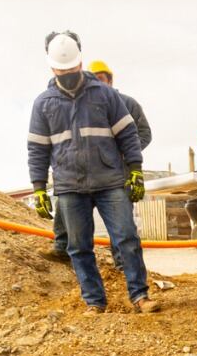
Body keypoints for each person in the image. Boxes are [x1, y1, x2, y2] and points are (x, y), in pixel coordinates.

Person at [28, 31, 161, 314]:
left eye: (72, 68)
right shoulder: (43, 104)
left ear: (80, 63)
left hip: (110, 180)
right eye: (62, 70)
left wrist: (135, 169)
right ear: (52, 68)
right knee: (78, 246)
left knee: (126, 236)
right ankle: (94, 301)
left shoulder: (105, 95)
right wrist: (39, 186)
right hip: (69, 185)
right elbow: (37, 148)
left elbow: (128, 134)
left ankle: (139, 295)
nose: (67, 74)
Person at [44, 60, 155, 265]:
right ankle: (61, 248)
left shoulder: (128, 103)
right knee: (65, 203)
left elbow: (144, 134)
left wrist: (123, 153)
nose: (96, 83)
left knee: (121, 222)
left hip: (116, 173)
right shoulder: (79, 105)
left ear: (110, 80)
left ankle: (122, 264)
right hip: (82, 173)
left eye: (101, 79)